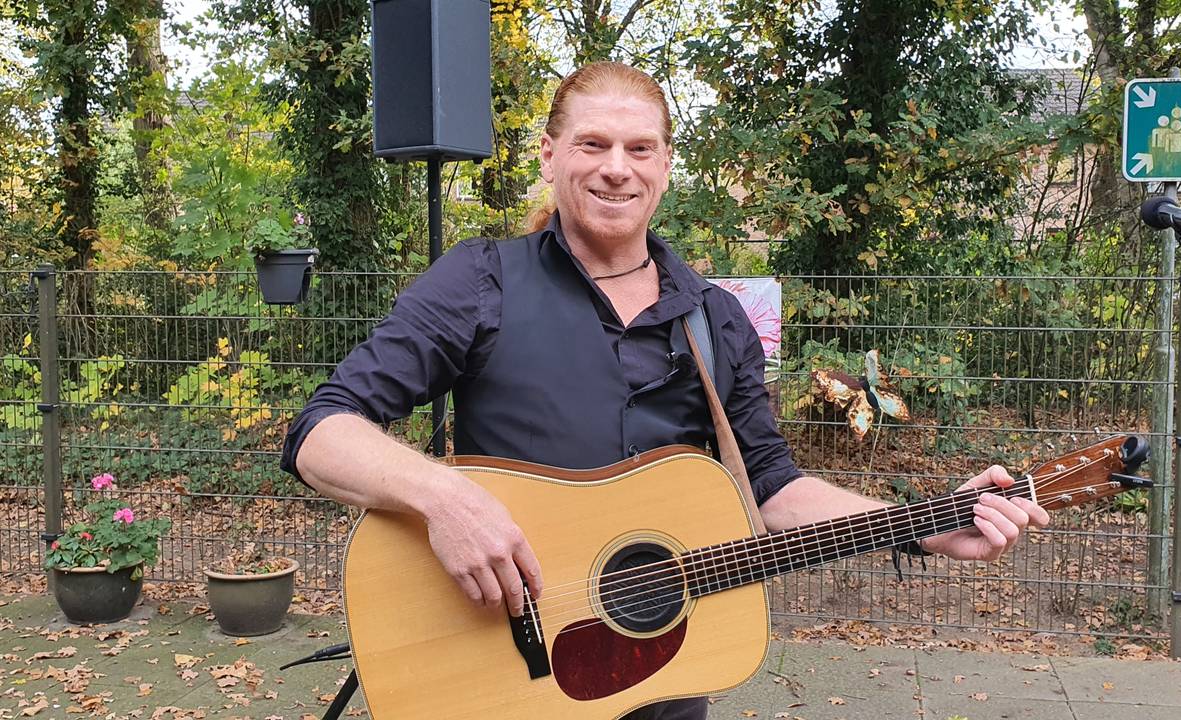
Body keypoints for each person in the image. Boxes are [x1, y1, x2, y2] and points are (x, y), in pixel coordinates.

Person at [282, 61, 1049, 720]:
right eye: (593, 144)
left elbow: (772, 490)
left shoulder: (715, 319)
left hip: (662, 676)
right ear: (550, 156)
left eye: (638, 148)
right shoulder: (481, 282)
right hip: (503, 670)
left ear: (664, 166)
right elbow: (321, 433)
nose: (617, 167)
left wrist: (920, 525)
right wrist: (444, 500)